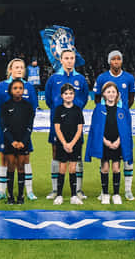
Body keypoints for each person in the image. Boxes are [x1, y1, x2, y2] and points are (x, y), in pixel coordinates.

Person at [92, 50, 135, 200]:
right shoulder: (102, 77)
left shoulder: (129, 78)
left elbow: (131, 98)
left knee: (125, 152)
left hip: (123, 118)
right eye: (114, 59)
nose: (116, 61)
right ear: (109, 61)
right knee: (104, 154)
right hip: (106, 117)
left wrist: (121, 113)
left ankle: (128, 189)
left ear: (121, 61)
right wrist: (104, 111)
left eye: (119, 59)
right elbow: (97, 98)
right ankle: (103, 191)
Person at [45, 49, 89, 199]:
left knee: (76, 156)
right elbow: (48, 100)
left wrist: (73, 111)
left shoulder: (81, 79)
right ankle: (55, 190)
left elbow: (83, 100)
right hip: (58, 123)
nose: (69, 61)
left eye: (72, 58)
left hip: (75, 122)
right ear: (61, 60)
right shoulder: (53, 79)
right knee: (57, 154)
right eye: (66, 58)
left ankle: (78, 190)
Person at [0, 58, 39, 201]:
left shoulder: (29, 87)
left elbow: (33, 108)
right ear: (10, 70)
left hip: (23, 131)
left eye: (21, 67)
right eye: (16, 67)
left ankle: (29, 191)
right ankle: (2, 191)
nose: (19, 69)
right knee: (4, 159)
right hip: (5, 130)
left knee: (25, 159)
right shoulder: (1, 86)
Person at [85, 81, 133, 205]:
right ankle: (105, 193)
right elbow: (95, 129)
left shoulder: (122, 110)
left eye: (113, 92)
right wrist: (105, 141)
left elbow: (126, 129)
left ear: (117, 94)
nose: (111, 94)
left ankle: (116, 194)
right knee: (105, 168)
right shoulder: (99, 109)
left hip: (118, 143)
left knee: (116, 168)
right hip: (104, 144)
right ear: (104, 94)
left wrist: (119, 141)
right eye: (108, 92)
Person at [0, 78, 36, 204]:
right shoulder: (5, 106)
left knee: (21, 167)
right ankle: (10, 196)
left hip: (23, 142)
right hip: (10, 142)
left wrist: (23, 141)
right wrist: (12, 141)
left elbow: (30, 126)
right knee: (10, 167)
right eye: (15, 88)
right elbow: (3, 126)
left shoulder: (28, 106)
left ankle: (21, 196)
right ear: (10, 90)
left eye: (20, 88)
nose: (18, 91)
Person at [52, 83, 85, 205]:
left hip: (75, 144)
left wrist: (72, 143)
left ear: (74, 95)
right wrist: (65, 143)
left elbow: (80, 128)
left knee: (72, 169)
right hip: (62, 144)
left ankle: (74, 196)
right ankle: (59, 195)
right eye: (66, 94)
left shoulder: (77, 110)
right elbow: (57, 128)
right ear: (62, 96)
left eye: (71, 93)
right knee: (62, 168)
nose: (68, 96)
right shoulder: (58, 109)